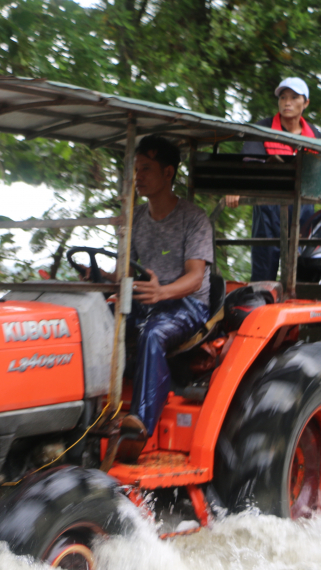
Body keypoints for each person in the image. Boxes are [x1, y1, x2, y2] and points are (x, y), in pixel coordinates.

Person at [114, 134, 214, 462]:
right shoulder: (136, 219)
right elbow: (127, 268)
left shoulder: (193, 219)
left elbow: (196, 276)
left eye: (146, 169)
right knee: (97, 321)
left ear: (168, 173)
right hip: (146, 300)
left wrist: (161, 292)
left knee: (152, 332)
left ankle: (140, 423)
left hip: (187, 304)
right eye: (136, 169)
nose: (138, 176)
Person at [224, 77, 321, 282]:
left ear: (306, 103)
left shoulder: (315, 136)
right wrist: (236, 187)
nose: (287, 102)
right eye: (283, 97)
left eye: (294, 97)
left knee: (301, 274)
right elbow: (247, 165)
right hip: (268, 208)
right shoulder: (262, 129)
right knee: (264, 273)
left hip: (303, 210)